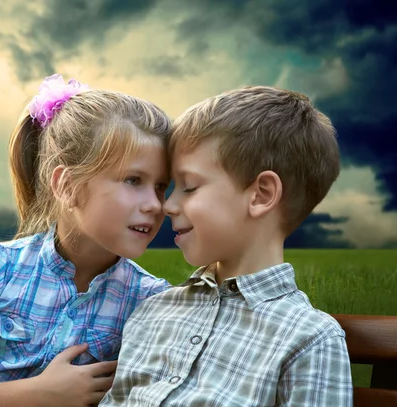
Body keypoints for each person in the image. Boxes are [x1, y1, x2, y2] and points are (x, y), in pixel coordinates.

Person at [0, 74, 173, 407]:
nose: (155, 204)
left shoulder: (149, 300)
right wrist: (40, 393)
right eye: (134, 180)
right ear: (66, 185)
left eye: (161, 186)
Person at [99, 86, 353, 406]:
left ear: (261, 195)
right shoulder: (152, 311)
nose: (168, 205)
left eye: (189, 187)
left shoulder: (309, 339)